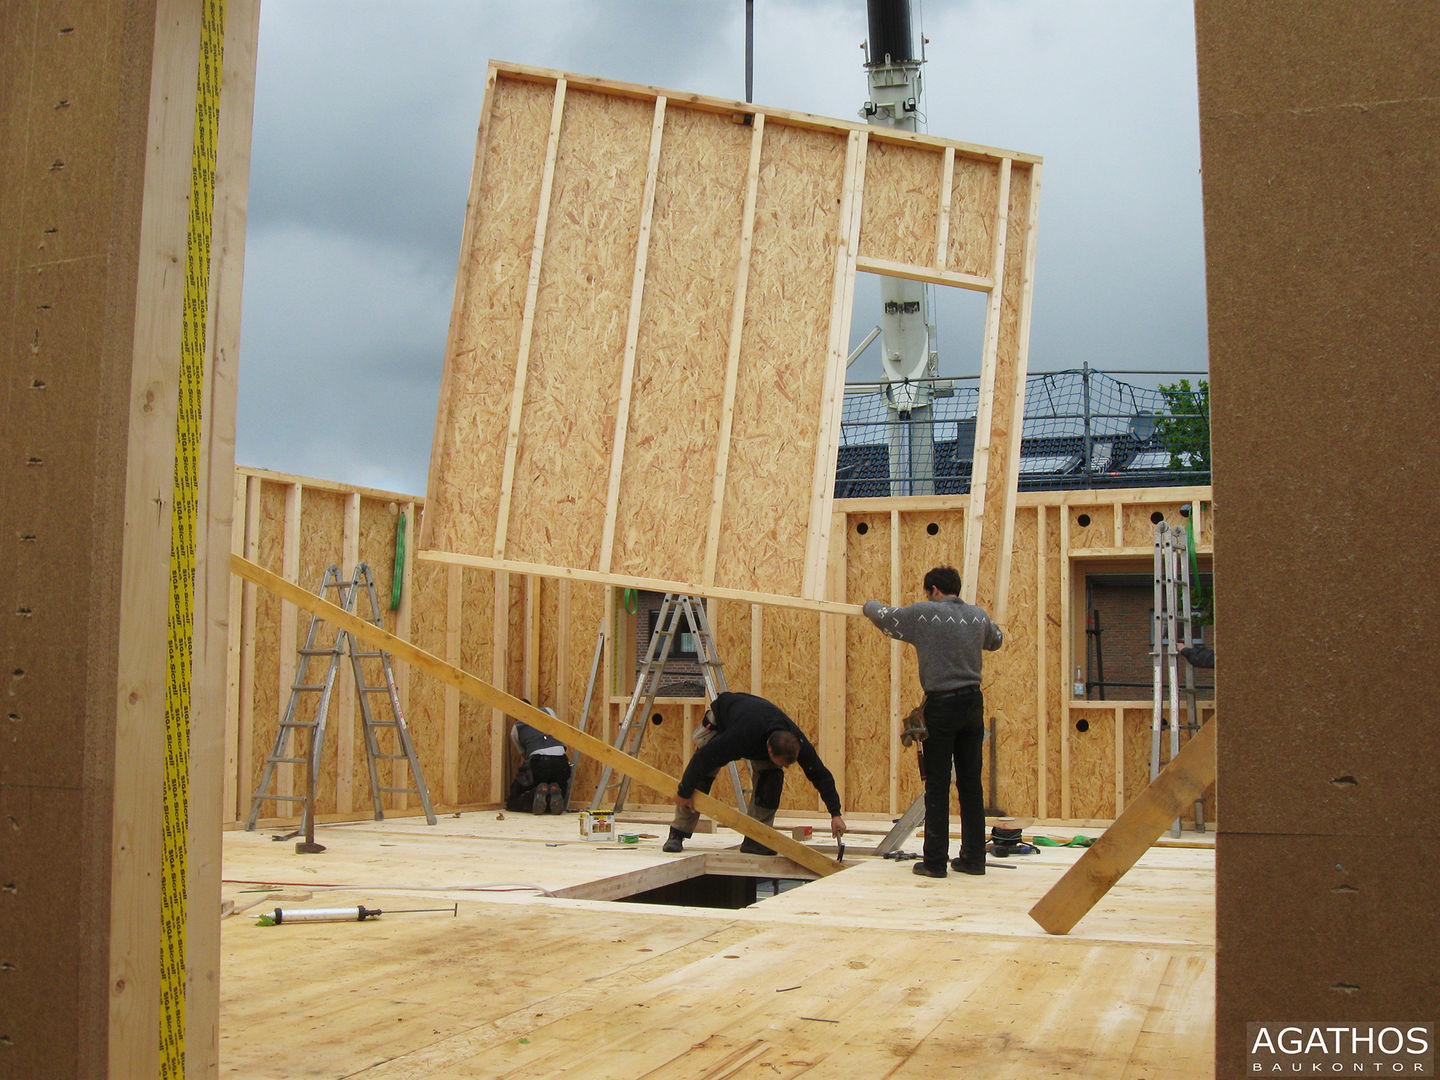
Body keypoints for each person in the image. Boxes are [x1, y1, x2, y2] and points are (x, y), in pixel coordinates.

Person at [864, 566, 1003, 878]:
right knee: (970, 784)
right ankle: (973, 859)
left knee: (937, 785)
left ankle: (935, 862)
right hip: (972, 703)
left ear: (934, 590)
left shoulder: (924, 614)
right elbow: (996, 639)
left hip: (941, 706)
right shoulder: (977, 615)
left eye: (928, 592)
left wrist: (867, 604)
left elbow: (885, 617)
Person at [662, 691, 846, 855]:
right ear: (770, 752)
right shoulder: (739, 738)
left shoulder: (794, 741)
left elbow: (820, 774)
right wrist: (683, 791)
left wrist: (835, 814)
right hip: (723, 718)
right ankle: (677, 834)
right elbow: (702, 758)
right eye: (784, 763)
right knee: (701, 776)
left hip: (757, 721)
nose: (788, 767)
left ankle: (756, 839)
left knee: (771, 781)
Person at [505, 706, 570, 814]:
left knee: (513, 802)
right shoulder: (548, 711)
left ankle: (536, 793)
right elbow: (557, 730)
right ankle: (553, 789)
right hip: (561, 762)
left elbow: (525, 756)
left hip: (539, 762)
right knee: (559, 789)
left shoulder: (515, 729)